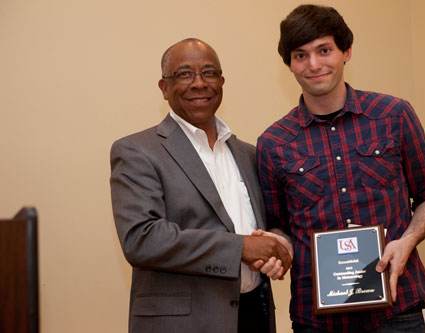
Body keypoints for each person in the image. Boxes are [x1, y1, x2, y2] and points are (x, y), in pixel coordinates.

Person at [257, 5, 425, 332]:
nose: (314, 64)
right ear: (289, 65)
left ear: (346, 52)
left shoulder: (394, 115)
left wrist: (409, 239)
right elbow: (278, 226)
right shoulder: (273, 143)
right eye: (300, 55)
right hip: (315, 318)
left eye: (324, 50)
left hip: (397, 308)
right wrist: (276, 249)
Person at [110, 38, 292, 333]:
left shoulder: (248, 153)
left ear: (221, 82)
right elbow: (141, 238)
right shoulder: (136, 151)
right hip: (185, 325)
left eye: (208, 73)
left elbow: (273, 225)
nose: (199, 83)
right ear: (164, 88)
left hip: (254, 317)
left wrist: (278, 247)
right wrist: (241, 247)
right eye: (184, 74)